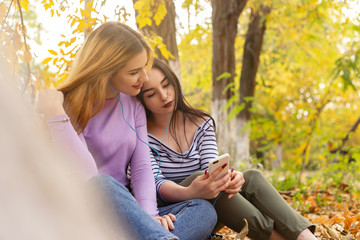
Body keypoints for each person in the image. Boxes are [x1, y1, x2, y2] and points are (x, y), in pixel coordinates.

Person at [38, 22, 217, 240]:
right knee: (102, 184)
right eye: (134, 72)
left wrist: (150, 217)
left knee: (202, 209)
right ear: (106, 70)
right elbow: (87, 178)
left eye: (144, 67)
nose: (144, 77)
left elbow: (142, 168)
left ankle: (155, 236)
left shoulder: (133, 105)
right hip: (87, 215)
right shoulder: (67, 105)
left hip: (130, 214)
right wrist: (56, 115)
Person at [137, 58, 318, 240]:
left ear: (174, 82)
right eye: (151, 94)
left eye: (166, 85)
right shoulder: (141, 134)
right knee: (205, 182)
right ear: (142, 100)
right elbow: (156, 184)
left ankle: (307, 237)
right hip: (178, 213)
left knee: (250, 178)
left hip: (213, 208)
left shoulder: (201, 122)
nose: (164, 95)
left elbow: (213, 167)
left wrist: (232, 178)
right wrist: (191, 191)